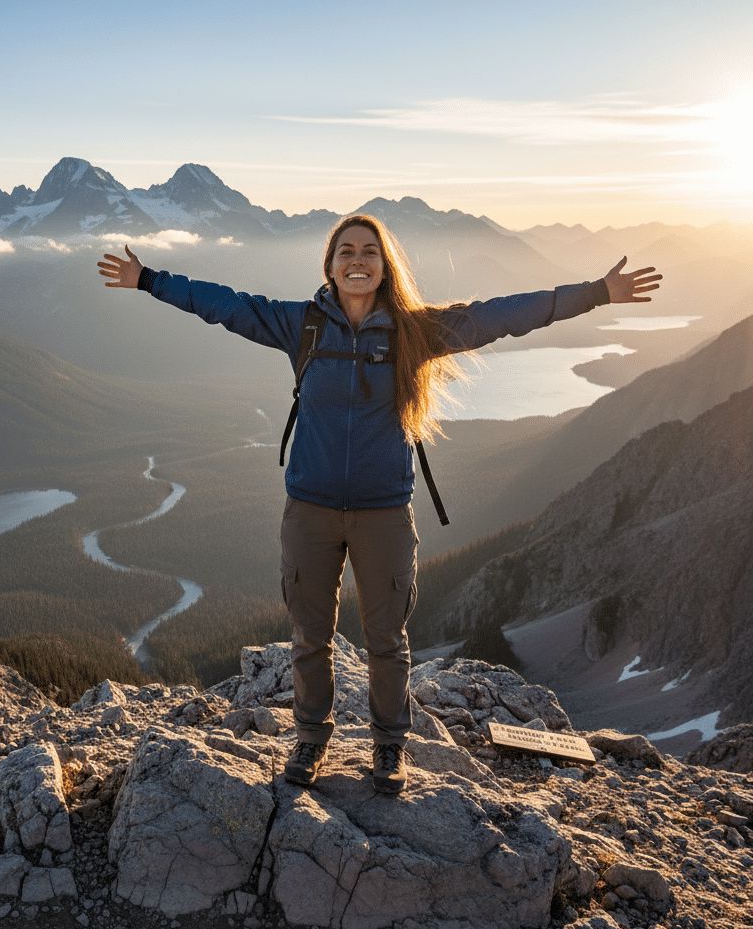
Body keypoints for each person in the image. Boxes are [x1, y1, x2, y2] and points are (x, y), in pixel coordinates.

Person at [98, 214, 660, 794]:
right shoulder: (302, 324)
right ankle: (311, 739)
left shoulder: (416, 332)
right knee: (309, 637)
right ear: (330, 265)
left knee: (386, 641)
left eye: (370, 251)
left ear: (385, 265)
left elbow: (505, 314)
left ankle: (389, 745)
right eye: (346, 251)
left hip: (385, 513)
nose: (358, 260)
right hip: (310, 510)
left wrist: (597, 293)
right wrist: (149, 279)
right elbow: (225, 304)